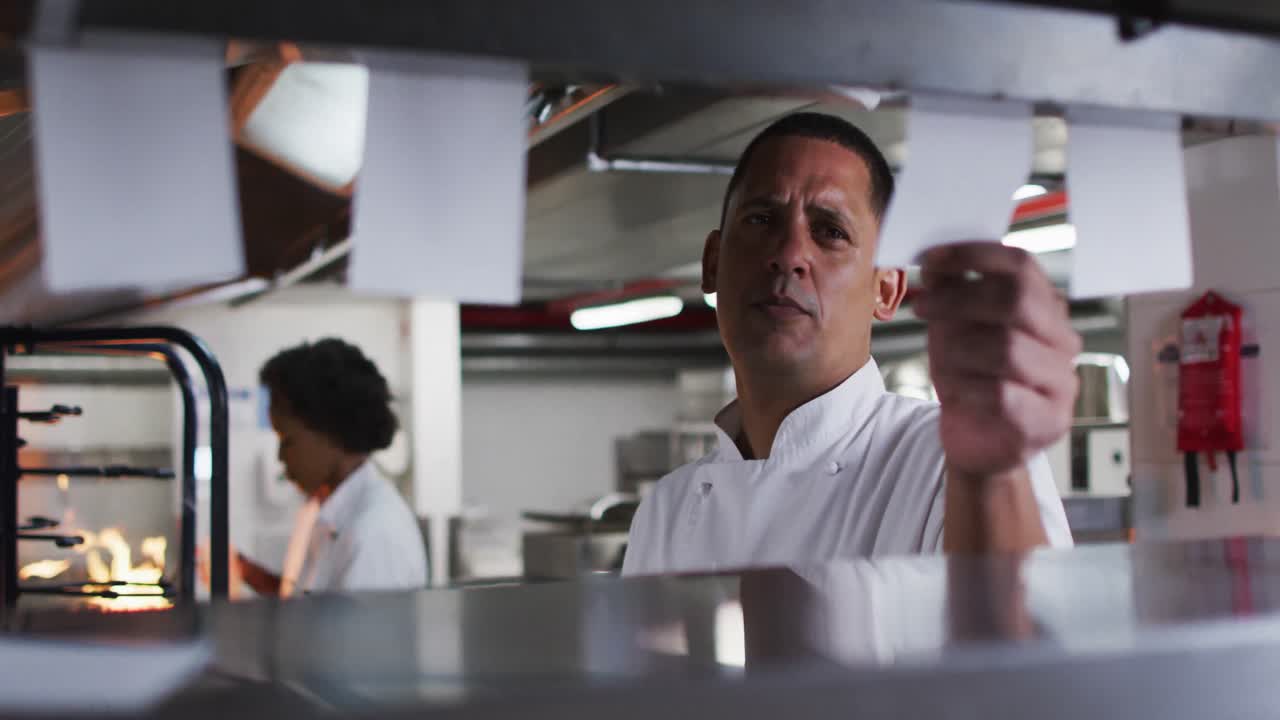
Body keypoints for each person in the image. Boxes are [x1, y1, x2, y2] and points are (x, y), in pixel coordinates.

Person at [622, 113, 1076, 576]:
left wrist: (993, 476)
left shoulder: (948, 463)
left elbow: (1028, 640)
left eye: (830, 231)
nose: (789, 254)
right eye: (761, 220)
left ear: (887, 289)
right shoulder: (666, 512)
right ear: (713, 264)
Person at [237, 338, 428, 595]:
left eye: (287, 440)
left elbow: (351, 633)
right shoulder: (324, 512)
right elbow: (308, 608)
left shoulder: (375, 534)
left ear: (332, 434)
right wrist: (244, 570)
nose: (281, 457)